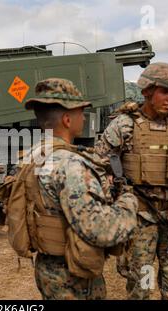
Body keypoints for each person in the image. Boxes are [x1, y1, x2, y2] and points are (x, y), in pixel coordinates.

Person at [95, 62, 168, 300]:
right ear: (147, 91)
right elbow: (101, 165)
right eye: (165, 91)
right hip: (140, 219)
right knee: (142, 288)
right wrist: (113, 203)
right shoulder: (124, 126)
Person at [19, 78, 138, 299]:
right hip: (73, 274)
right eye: (81, 112)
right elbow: (99, 230)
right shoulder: (70, 164)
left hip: (47, 268)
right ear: (66, 119)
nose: (83, 117)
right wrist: (128, 203)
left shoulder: (33, 155)